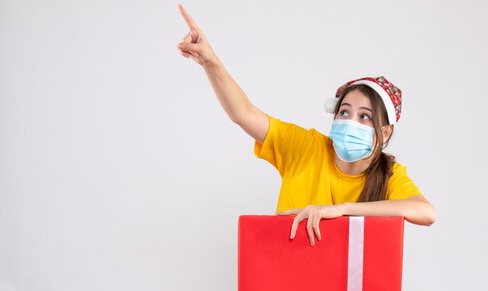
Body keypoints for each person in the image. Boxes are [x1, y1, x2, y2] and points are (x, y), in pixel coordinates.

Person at [176, 4, 437, 246]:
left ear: (385, 131)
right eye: (344, 112)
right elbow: (243, 114)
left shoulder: (389, 175)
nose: (350, 122)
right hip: (288, 282)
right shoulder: (306, 148)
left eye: (364, 117)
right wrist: (211, 63)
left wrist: (342, 210)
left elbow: (426, 212)